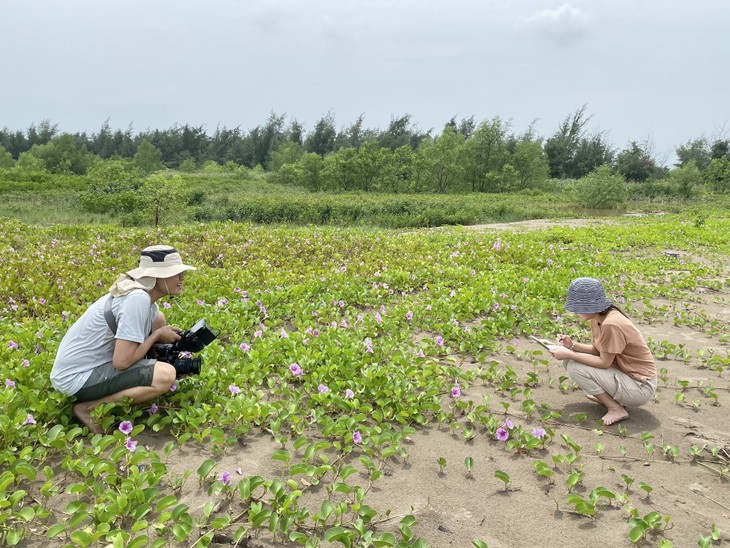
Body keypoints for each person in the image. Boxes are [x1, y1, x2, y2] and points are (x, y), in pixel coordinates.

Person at [51, 245, 196, 434]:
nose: (182, 277)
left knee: (158, 319)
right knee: (166, 375)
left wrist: (160, 341)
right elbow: (122, 362)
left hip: (83, 369)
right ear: (158, 276)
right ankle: (89, 408)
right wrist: (156, 336)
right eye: (176, 272)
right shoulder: (137, 300)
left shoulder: (145, 300)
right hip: (77, 379)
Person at [548, 277, 657, 426]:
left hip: (641, 386)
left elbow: (604, 362)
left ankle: (615, 408)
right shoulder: (598, 318)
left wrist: (570, 354)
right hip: (628, 376)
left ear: (590, 306)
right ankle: (610, 399)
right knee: (570, 361)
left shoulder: (611, 324)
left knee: (574, 366)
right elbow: (598, 350)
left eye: (578, 307)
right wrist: (572, 346)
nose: (575, 311)